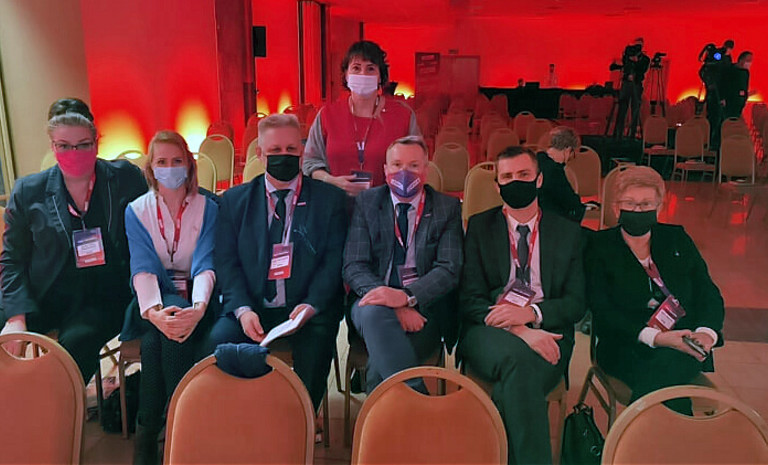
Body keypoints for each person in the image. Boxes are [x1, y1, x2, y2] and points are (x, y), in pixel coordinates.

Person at [208, 114, 347, 413]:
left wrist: (311, 305)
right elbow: (227, 262)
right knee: (217, 342)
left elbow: (333, 262)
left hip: (307, 308)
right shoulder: (234, 201)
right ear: (260, 154)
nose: (284, 157)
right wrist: (243, 310)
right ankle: (244, 416)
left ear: (302, 152)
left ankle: (302, 420)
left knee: (317, 344)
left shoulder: (330, 201)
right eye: (275, 151)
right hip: (251, 305)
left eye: (291, 150)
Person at [0, 98, 146, 381]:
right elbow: (12, 259)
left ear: (96, 142)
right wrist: (16, 317)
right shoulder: (29, 191)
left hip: (102, 296)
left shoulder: (125, 178)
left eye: (83, 144)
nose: (74, 153)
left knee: (75, 345)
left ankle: (58, 404)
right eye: (64, 145)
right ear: (53, 145)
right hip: (46, 293)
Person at [459, 146, 585, 465]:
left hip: (550, 332)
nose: (516, 181)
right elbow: (470, 299)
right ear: (497, 185)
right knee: (520, 362)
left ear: (539, 180)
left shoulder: (567, 232)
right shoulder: (479, 227)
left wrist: (532, 314)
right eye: (508, 176)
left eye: (524, 174)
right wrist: (522, 331)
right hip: (489, 329)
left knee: (514, 382)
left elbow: (576, 302)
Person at [585, 166, 724, 413]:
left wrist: (706, 333)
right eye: (630, 203)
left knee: (670, 361)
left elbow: (707, 292)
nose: (638, 210)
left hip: (685, 341)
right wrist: (656, 338)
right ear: (616, 208)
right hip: (625, 344)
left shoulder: (676, 238)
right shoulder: (599, 246)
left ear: (659, 208)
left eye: (646, 204)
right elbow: (602, 310)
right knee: (668, 374)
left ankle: (636, 434)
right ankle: (666, 433)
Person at [121, 131, 218, 464]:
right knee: (161, 334)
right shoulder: (136, 211)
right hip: (155, 302)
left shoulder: (208, 207)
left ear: (189, 164)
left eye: (177, 160)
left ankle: (147, 437)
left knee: (154, 344)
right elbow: (143, 266)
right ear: (151, 168)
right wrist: (156, 313)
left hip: (199, 300)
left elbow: (205, 263)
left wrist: (199, 308)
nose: (170, 167)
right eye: (161, 162)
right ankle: (183, 431)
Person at [344, 136, 463, 393]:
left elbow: (449, 269)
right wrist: (393, 303)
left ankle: (386, 417)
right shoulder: (367, 203)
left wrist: (407, 297)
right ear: (385, 170)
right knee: (374, 313)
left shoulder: (446, 208)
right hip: (371, 302)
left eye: (413, 166)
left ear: (426, 170)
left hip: (424, 311)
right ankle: (420, 400)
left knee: (379, 370)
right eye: (397, 165)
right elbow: (354, 265)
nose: (404, 172)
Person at [303, 40, 421, 196]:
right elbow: (310, 162)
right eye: (356, 68)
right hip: (336, 201)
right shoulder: (327, 115)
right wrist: (331, 180)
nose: (363, 74)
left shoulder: (403, 116)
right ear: (346, 75)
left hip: (386, 204)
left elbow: (417, 163)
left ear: (380, 76)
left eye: (370, 69)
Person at [536, 126, 586, 223]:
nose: (570, 159)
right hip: (548, 222)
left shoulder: (537, 160)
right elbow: (570, 202)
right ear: (568, 150)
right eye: (573, 155)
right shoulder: (554, 171)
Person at [699, 39, 735, 149]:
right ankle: (710, 142)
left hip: (720, 93)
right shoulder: (718, 55)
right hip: (713, 94)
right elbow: (706, 69)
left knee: (719, 118)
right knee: (713, 117)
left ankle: (715, 142)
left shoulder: (727, 59)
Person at [613, 38, 650, 139]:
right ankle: (618, 134)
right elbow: (626, 65)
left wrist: (636, 61)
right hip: (626, 84)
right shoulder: (627, 55)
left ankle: (632, 135)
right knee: (622, 109)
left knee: (635, 110)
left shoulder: (645, 59)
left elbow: (642, 69)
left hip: (637, 84)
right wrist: (629, 58)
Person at [723, 51, 754, 119]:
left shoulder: (746, 72)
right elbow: (725, 86)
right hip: (728, 102)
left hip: (739, 103)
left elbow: (745, 87)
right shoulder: (730, 70)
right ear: (741, 60)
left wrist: (746, 95)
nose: (749, 63)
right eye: (748, 60)